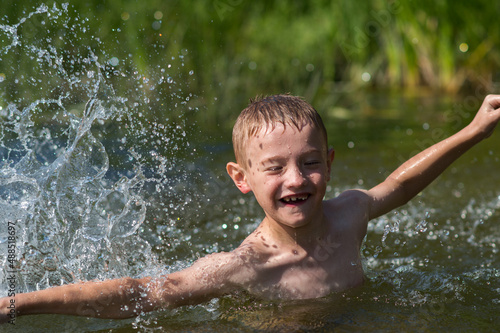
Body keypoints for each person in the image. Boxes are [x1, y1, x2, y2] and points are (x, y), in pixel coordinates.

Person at [2, 94, 500, 323]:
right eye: (274, 168)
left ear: (329, 161)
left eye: (309, 162)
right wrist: (18, 304)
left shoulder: (350, 216)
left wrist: (474, 131)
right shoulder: (242, 269)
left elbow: (401, 181)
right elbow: (143, 292)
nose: (296, 180)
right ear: (241, 179)